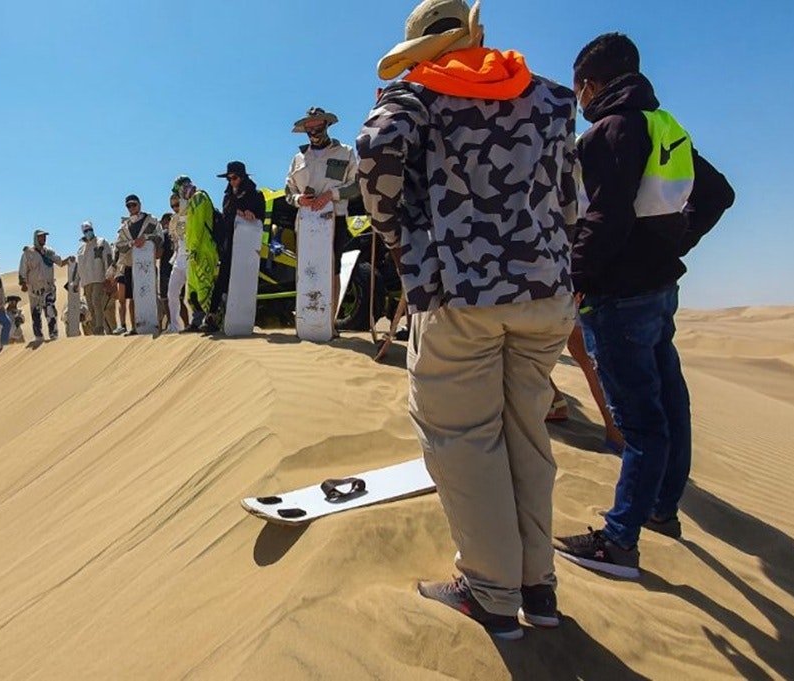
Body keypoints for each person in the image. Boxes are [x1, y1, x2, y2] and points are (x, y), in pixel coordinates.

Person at [357, 0, 579, 639]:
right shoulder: (551, 98)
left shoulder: (416, 93)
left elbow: (373, 151)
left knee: (465, 442)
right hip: (545, 295)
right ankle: (538, 588)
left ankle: (490, 594)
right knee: (527, 437)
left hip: (461, 296)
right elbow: (570, 196)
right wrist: (550, 253)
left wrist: (399, 237)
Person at [553, 33, 736, 580]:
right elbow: (719, 194)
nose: (579, 97)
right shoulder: (666, 127)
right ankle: (661, 509)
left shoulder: (608, 130)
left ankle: (619, 542)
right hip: (659, 289)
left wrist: (576, 279)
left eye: (579, 86)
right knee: (669, 403)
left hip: (618, 296)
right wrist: (673, 243)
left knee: (640, 422)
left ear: (590, 84)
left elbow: (605, 219)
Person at [285, 106, 361, 319]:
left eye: (317, 126)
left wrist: (331, 195)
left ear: (326, 125)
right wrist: (299, 199)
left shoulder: (345, 152)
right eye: (309, 127)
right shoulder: (298, 158)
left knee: (332, 269)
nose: (313, 131)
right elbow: (288, 191)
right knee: (307, 269)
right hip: (306, 222)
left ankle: (330, 321)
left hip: (334, 219)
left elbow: (356, 186)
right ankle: (307, 318)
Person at [212, 161, 266, 333]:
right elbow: (225, 216)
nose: (231, 181)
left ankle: (242, 317)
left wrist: (252, 215)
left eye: (234, 178)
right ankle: (213, 315)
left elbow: (261, 219)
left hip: (247, 246)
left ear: (242, 177)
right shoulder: (228, 196)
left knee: (244, 280)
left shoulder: (256, 195)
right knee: (223, 279)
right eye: (229, 178)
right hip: (229, 244)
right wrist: (236, 212)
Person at [113, 194, 163, 334]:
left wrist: (146, 238)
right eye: (129, 206)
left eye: (134, 204)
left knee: (151, 295)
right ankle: (135, 327)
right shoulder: (124, 227)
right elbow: (119, 246)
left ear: (140, 204)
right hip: (130, 264)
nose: (132, 208)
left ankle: (157, 324)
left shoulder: (151, 221)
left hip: (147, 265)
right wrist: (131, 243)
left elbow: (160, 237)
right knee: (133, 298)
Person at [175, 176, 218, 331]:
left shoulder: (199, 197)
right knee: (192, 289)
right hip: (192, 252)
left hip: (203, 249)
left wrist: (193, 249)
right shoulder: (192, 202)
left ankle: (212, 320)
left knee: (204, 285)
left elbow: (198, 226)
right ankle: (197, 321)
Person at [19, 229, 68, 341]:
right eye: (41, 237)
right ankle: (38, 336)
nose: (44, 238)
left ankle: (53, 334)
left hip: (48, 287)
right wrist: (23, 283)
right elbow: (23, 270)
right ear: (36, 238)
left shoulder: (49, 252)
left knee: (50, 310)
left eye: (45, 236)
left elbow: (60, 262)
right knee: (35, 313)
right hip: (34, 289)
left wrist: (70, 260)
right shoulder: (28, 253)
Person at [75, 221, 114, 335]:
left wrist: (109, 277)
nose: (88, 232)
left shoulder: (101, 242)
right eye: (85, 231)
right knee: (90, 307)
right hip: (86, 282)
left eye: (89, 230)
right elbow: (79, 267)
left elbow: (108, 260)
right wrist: (76, 282)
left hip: (99, 278)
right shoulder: (81, 249)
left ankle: (99, 327)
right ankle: (94, 331)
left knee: (97, 302)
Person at [164, 194, 190, 332]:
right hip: (178, 259)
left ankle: (201, 321)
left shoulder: (190, 214)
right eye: (172, 206)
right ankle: (174, 326)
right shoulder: (174, 219)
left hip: (191, 258)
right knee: (172, 293)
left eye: (177, 205)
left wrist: (184, 206)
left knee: (194, 295)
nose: (175, 208)